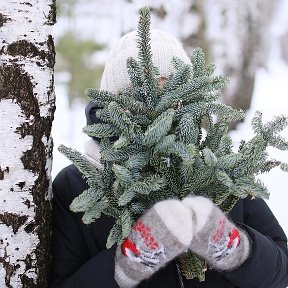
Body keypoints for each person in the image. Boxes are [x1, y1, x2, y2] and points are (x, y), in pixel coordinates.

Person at [49, 29, 288, 288]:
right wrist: (128, 265)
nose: (158, 107)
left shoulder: (219, 170)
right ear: (113, 105)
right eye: (140, 96)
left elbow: (281, 270)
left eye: (170, 92)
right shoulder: (76, 185)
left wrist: (233, 249)